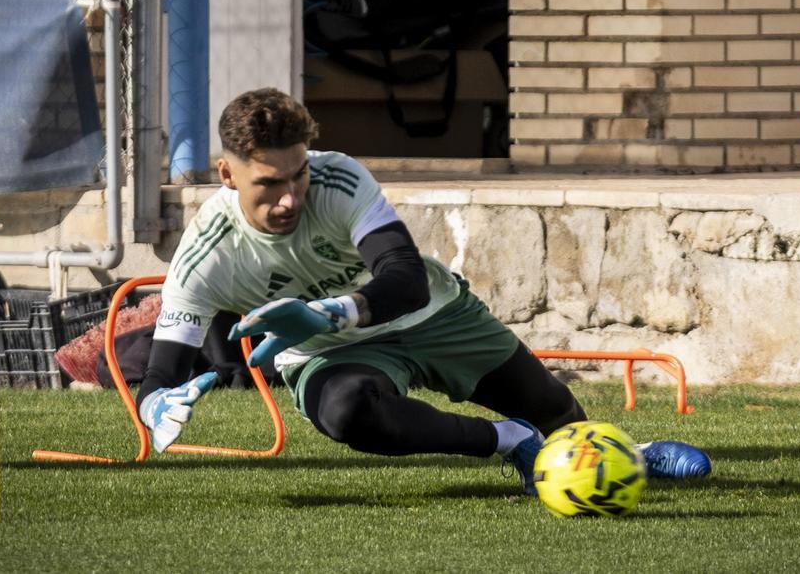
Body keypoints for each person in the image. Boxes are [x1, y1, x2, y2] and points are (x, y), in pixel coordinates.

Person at [136, 88, 710, 494]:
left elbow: (404, 277)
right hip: (335, 355)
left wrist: (332, 311)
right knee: (348, 413)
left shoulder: (338, 178)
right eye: (269, 183)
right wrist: (155, 401)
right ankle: (509, 442)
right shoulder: (205, 253)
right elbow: (164, 369)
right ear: (227, 174)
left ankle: (631, 457)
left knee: (559, 413)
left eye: (298, 175)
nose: (290, 198)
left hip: (431, 315)